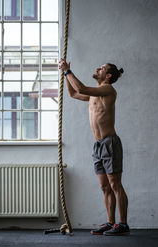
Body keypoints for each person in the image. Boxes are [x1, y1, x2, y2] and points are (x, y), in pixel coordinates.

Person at [58, 59, 129, 236]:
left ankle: (123, 224)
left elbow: (81, 88)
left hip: (110, 143)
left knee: (115, 184)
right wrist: (64, 74)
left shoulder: (108, 89)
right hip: (98, 145)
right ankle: (110, 222)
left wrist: (68, 71)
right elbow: (74, 94)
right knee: (104, 187)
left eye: (102, 68)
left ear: (108, 76)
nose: (97, 68)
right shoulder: (95, 95)